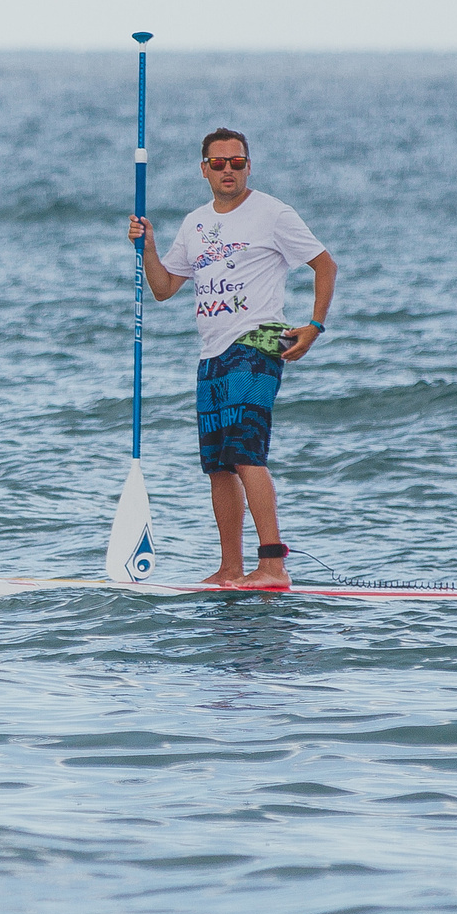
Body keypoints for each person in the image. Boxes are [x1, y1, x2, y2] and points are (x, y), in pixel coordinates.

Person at [128, 130, 335, 588]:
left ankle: (273, 566)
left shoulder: (272, 213)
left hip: (258, 342)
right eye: (218, 163)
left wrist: (314, 326)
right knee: (219, 465)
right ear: (204, 169)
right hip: (213, 353)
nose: (228, 170)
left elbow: (324, 264)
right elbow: (163, 289)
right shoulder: (195, 223)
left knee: (245, 453)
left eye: (236, 162)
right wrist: (148, 249)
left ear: (248, 166)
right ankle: (230, 568)